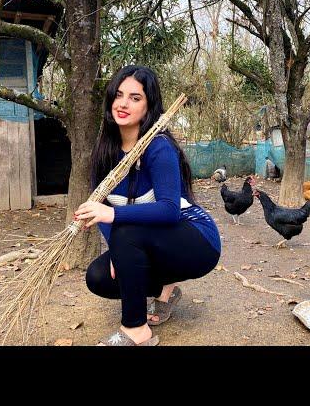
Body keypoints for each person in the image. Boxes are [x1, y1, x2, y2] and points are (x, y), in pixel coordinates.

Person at [76, 65, 221, 346]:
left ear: (149, 106)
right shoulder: (104, 152)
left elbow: (169, 210)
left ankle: (136, 331)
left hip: (196, 239)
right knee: (98, 277)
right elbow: (104, 214)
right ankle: (166, 289)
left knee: (125, 231)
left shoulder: (159, 146)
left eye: (135, 97)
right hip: (146, 238)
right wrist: (118, 251)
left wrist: (113, 216)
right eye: (119, 95)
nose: (123, 103)